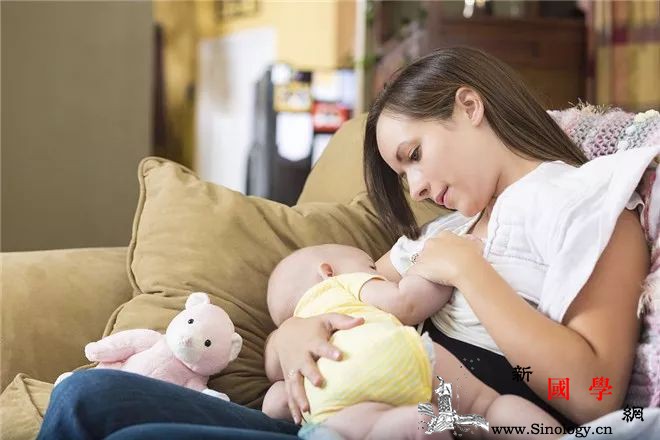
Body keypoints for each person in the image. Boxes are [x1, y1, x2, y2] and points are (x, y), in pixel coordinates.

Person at [37, 46, 653, 439]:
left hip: (434, 421)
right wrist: (292, 336)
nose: (415, 186)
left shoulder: (590, 207)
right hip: (323, 414)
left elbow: (596, 399)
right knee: (89, 395)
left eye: (413, 157)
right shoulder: (440, 235)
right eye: (401, 174)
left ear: (469, 106)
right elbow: (339, 297)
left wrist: (476, 277)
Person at [262, 243, 562, 440]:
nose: (381, 275)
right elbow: (405, 302)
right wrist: (441, 268)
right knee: (486, 408)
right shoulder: (342, 284)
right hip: (392, 354)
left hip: (330, 403)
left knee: (280, 401)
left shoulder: (293, 336)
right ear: (327, 271)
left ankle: (411, 425)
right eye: (372, 268)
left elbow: (277, 377)